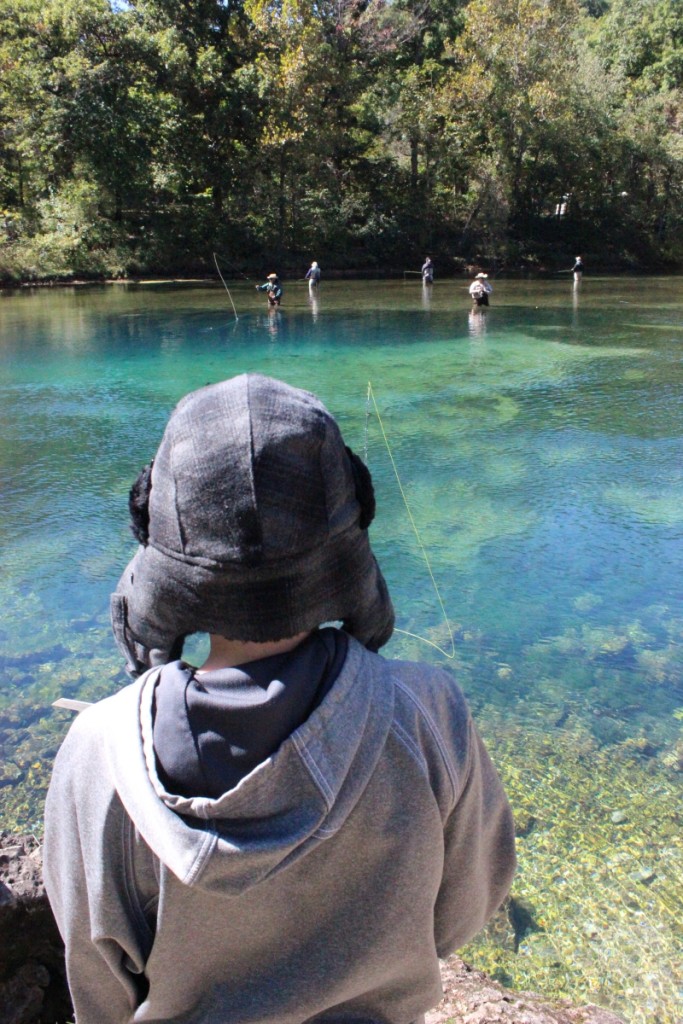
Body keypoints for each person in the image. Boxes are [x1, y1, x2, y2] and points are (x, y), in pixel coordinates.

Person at [43, 374, 516, 1024]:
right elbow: (464, 910)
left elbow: (98, 985)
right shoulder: (430, 712)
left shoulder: (97, 750)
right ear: (351, 518)